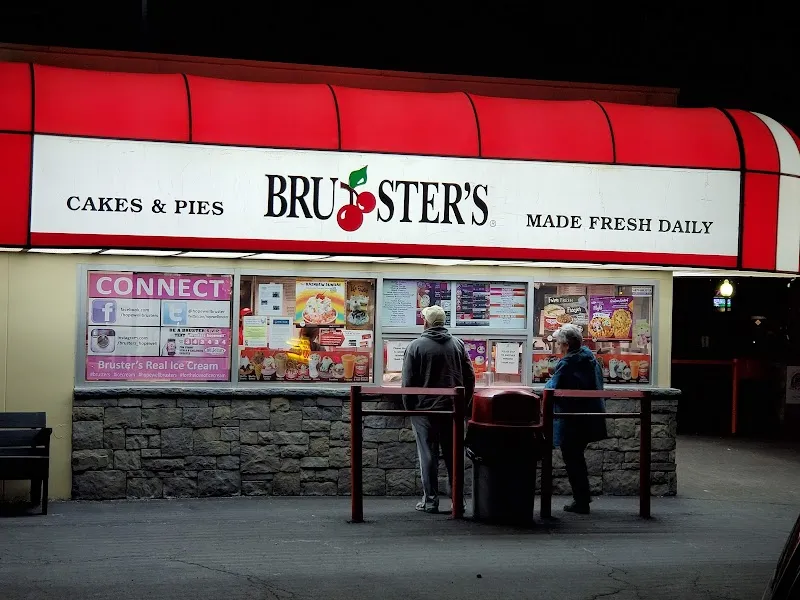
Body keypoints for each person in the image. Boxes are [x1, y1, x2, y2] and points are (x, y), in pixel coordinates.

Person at [402, 305, 475, 513]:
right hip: (452, 410)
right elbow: (470, 377)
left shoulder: (415, 346)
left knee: (428, 455)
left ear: (425, 322)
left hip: (424, 411)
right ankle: (458, 502)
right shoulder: (458, 345)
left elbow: (407, 383)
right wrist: (464, 403)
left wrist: (410, 409)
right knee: (454, 456)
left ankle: (430, 501)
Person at [545, 323, 606, 514]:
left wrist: (552, 375)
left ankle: (581, 501)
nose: (556, 346)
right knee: (576, 457)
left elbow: (551, 388)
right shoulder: (590, 358)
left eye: (558, 343)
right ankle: (582, 498)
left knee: (572, 458)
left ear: (567, 345)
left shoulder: (568, 363)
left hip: (573, 419)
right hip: (590, 416)